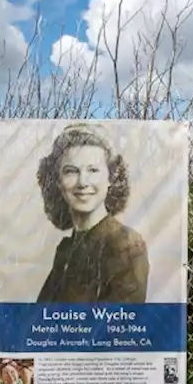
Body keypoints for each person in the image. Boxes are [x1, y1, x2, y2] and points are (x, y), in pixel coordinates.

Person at [35, 124, 149, 304]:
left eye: (93, 170)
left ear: (111, 178)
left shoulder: (125, 244)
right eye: (71, 171)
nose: (83, 182)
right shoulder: (66, 249)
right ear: (57, 180)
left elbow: (121, 323)